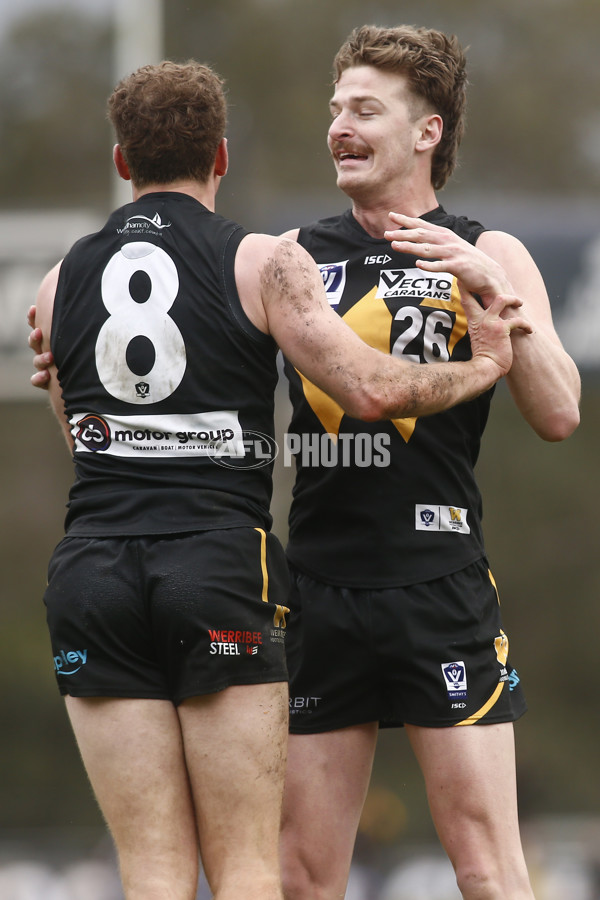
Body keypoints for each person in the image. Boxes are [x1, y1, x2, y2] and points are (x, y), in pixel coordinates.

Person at [28, 59, 529, 900]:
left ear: (122, 162)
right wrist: (482, 367)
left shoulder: (59, 279)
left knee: (152, 869)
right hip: (219, 570)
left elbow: (82, 432)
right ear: (220, 157)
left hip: (93, 576)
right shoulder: (264, 259)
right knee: (252, 872)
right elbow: (372, 389)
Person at [274, 24, 581, 900]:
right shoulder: (292, 256)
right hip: (320, 593)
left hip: (438, 586)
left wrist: (494, 290)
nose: (340, 124)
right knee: (301, 878)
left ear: (427, 132)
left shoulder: (492, 251)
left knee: (487, 871)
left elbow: (559, 411)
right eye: (336, 108)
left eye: (365, 109)